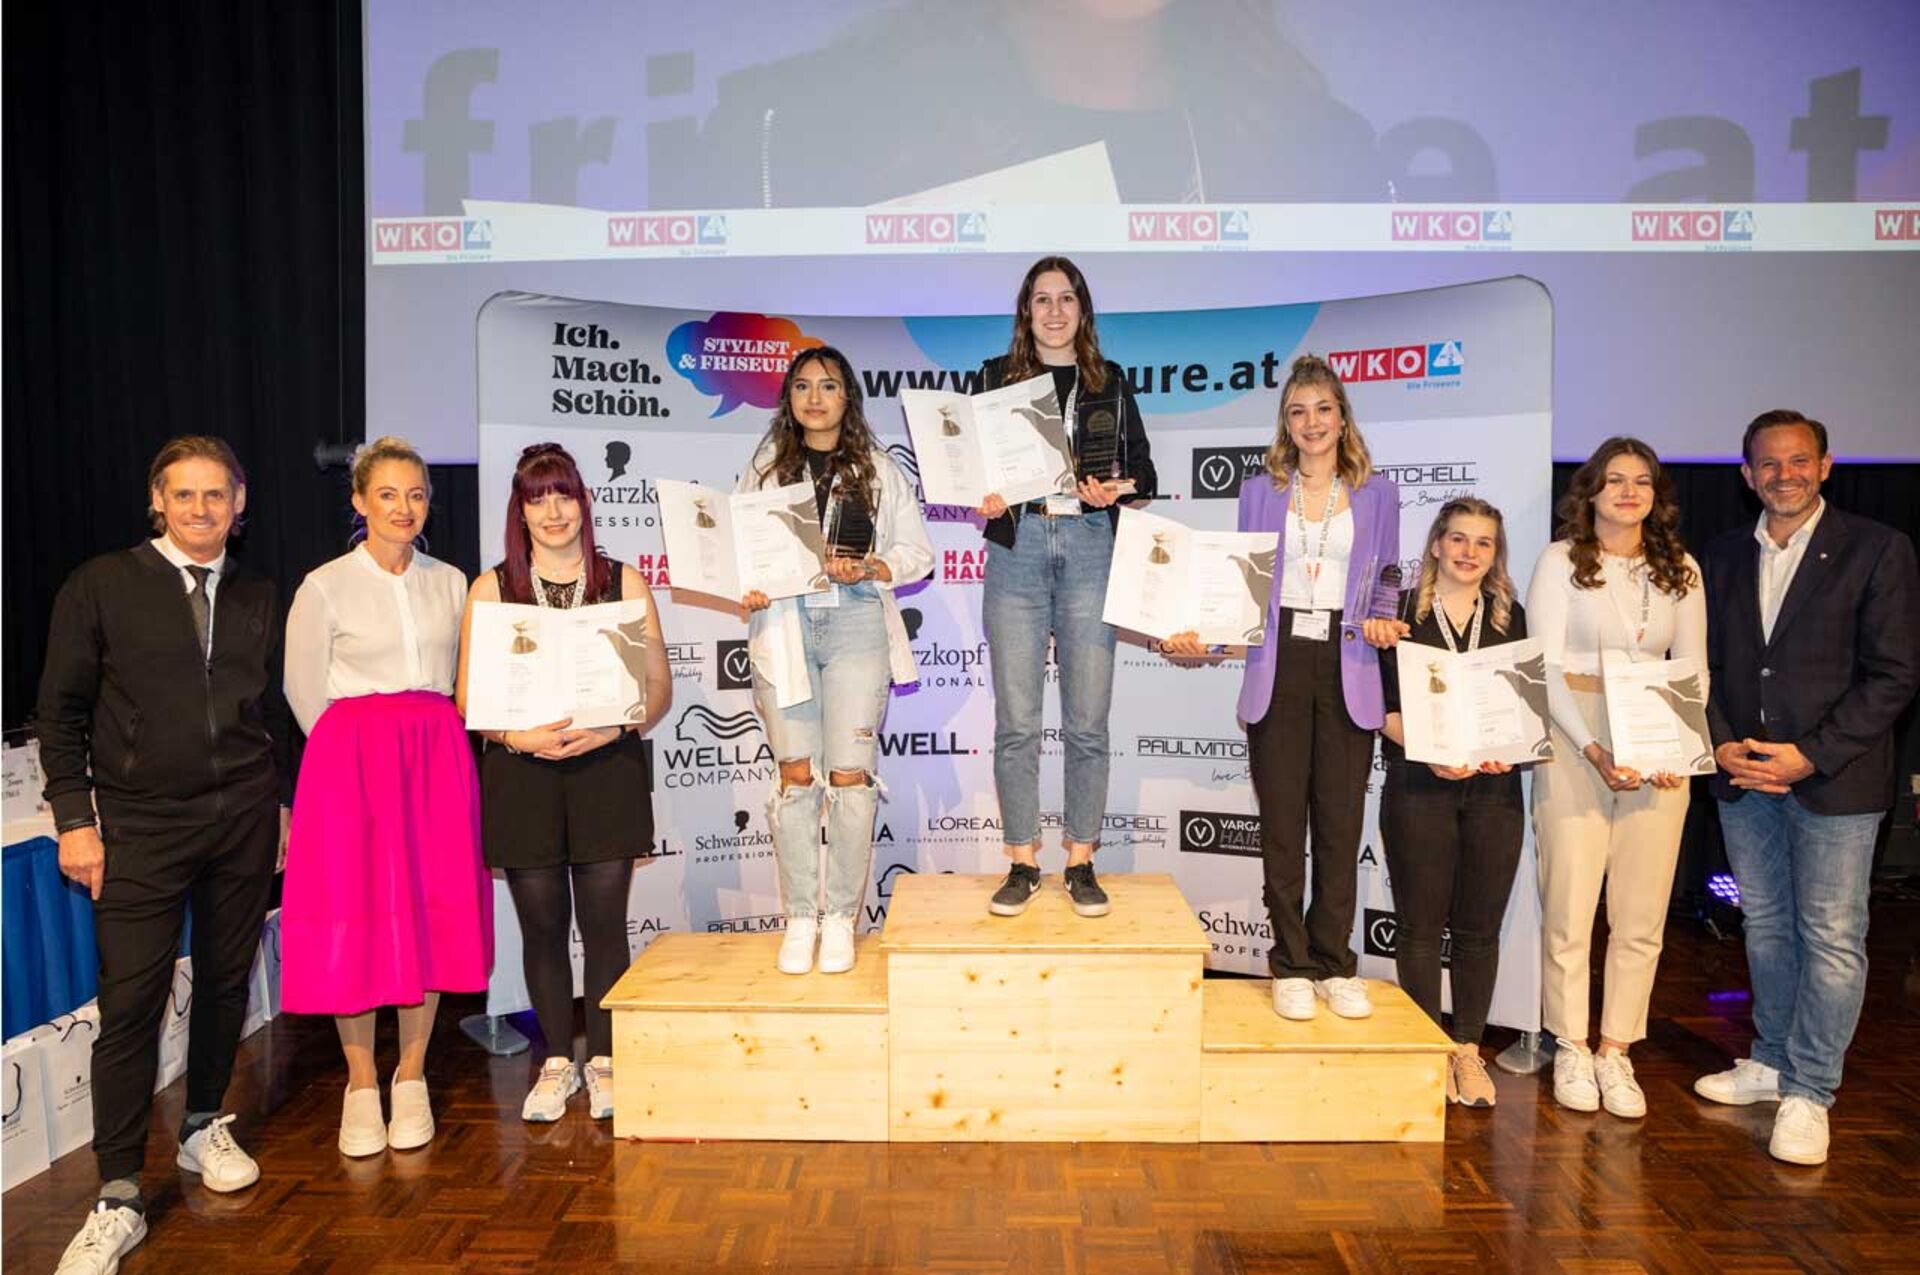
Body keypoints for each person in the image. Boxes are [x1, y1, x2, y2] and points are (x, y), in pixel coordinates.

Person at [39, 437, 289, 1275]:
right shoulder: (101, 585)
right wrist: (75, 818)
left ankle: (202, 1122)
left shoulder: (257, 593)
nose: (200, 509)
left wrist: (281, 803)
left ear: (239, 502)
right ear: (157, 500)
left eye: (215, 494)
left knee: (224, 981)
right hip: (141, 828)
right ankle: (117, 1193)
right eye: (183, 494)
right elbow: (61, 712)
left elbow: (270, 710)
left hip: (243, 820)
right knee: (131, 1003)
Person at [1692, 410, 1919, 1165]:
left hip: (1836, 781)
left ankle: (1812, 1089)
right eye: (1768, 463)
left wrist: (1808, 756)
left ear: (1824, 466)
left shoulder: (1878, 549)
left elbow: (1894, 675)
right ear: (1746, 474)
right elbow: (1705, 665)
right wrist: (1721, 741)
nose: (1783, 475)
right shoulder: (1721, 554)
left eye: (1798, 461)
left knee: (1831, 936)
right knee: (1766, 925)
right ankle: (1771, 1058)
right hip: (1744, 775)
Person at [281, 436, 492, 1157]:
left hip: (436, 757)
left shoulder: (453, 582)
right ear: (359, 501)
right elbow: (303, 692)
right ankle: (362, 1082)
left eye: (417, 494)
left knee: (432, 910)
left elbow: (470, 677)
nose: (404, 508)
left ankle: (411, 1074)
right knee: (357, 910)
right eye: (388, 494)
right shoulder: (324, 586)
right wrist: (354, 754)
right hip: (350, 764)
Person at [1169, 355, 1397, 1021]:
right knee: (1281, 828)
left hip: (1349, 663)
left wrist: (1384, 619)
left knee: (1340, 827)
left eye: (1323, 409)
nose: (1311, 422)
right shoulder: (1260, 491)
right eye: (1298, 411)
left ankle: (1334, 963)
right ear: (1285, 423)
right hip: (1278, 661)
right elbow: (1242, 586)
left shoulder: (1378, 493)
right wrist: (1207, 638)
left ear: (1342, 417)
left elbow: (1387, 575)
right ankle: (1291, 964)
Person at [456, 442, 672, 1122]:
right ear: (519, 511)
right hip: (522, 774)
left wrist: (611, 728)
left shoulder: (623, 581)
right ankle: (557, 1062)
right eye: (537, 498)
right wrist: (515, 736)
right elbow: (468, 697)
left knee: (605, 928)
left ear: (584, 501)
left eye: (563, 494)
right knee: (543, 928)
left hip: (607, 768)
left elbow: (657, 687)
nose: (552, 511)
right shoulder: (491, 588)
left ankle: (603, 1061)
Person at [737, 347, 933, 974]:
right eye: (802, 386)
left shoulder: (878, 467)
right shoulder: (764, 469)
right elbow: (739, 550)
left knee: (849, 776)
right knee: (797, 777)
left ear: (848, 395)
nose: (815, 398)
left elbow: (918, 553)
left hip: (856, 623)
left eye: (827, 386)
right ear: (788, 399)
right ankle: (800, 918)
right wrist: (749, 584)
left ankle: (842, 917)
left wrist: (874, 566)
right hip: (785, 624)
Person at [1527, 436, 1704, 1118]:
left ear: (1656, 494)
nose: (1629, 492)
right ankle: (1571, 1044)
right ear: (1591, 490)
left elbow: (1695, 667)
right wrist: (1593, 745)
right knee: (1569, 903)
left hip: (1659, 736)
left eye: (1642, 481)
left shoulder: (1681, 568)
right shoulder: (1560, 561)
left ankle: (1616, 1048)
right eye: (1615, 480)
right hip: (1577, 732)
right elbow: (1544, 666)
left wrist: (1680, 747)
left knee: (1641, 910)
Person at [977, 256, 1155, 919]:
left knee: (1086, 721)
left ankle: (1080, 860)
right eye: (1042, 299)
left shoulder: (1110, 381)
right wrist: (982, 492)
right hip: (1018, 546)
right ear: (1026, 312)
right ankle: (1023, 860)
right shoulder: (994, 378)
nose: (1054, 311)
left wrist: (1116, 489)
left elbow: (1145, 473)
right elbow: (966, 464)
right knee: (1017, 722)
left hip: (1088, 545)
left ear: (1083, 310)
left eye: (1066, 299)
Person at [1375, 499, 1530, 1106]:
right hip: (1419, 783)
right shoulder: (1399, 612)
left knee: (1478, 929)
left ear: (1495, 554)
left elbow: (1518, 708)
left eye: (1483, 542)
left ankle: (1466, 1049)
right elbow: (1378, 707)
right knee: (1418, 926)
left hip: (1493, 790)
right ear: (1437, 544)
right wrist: (1430, 748)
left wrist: (1508, 750)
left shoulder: (1510, 615)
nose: (1469, 552)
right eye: (1458, 538)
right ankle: (1426, 1049)